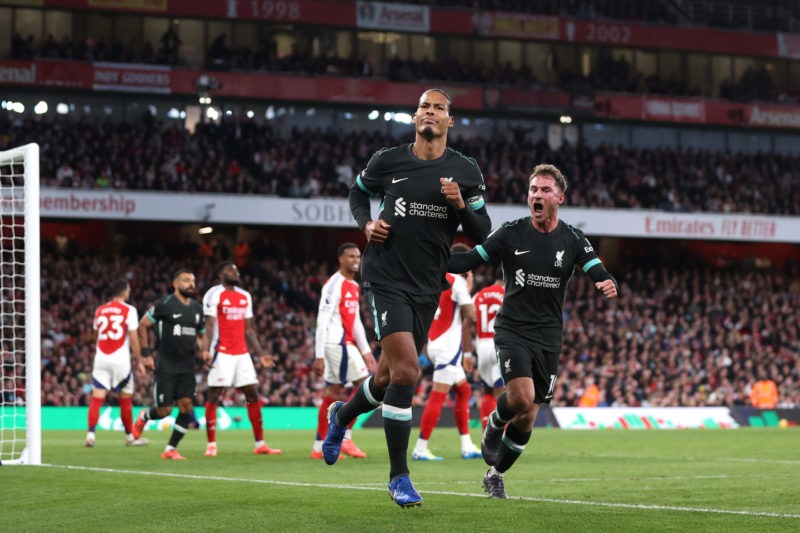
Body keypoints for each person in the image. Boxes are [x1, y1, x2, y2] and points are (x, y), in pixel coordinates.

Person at [322, 88, 492, 508]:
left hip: (427, 284)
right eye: (423, 106)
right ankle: (399, 476)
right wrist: (366, 226)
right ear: (415, 117)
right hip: (385, 277)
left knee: (385, 378)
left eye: (438, 107)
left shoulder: (465, 171)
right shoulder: (388, 160)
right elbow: (357, 193)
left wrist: (461, 207)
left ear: (450, 121)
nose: (429, 112)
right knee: (406, 372)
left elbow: (483, 229)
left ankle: (341, 417)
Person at [447, 163, 618, 498]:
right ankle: (494, 424)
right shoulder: (511, 232)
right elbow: (469, 259)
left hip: (549, 337)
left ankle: (495, 474)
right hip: (512, 328)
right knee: (521, 397)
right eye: (533, 190)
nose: (537, 195)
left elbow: (595, 267)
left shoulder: (571, 238)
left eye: (544, 190)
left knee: (528, 418)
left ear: (560, 198)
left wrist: (607, 280)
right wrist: (429, 258)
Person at [202, 261, 282, 457]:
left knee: (252, 394)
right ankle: (211, 444)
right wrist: (206, 350)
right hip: (221, 352)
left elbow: (249, 329)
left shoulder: (245, 296)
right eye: (230, 269)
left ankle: (260, 443)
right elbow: (210, 325)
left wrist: (261, 353)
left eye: (237, 270)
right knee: (215, 394)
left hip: (242, 353)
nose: (235, 272)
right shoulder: (214, 294)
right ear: (220, 273)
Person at [411, 243, 481, 461]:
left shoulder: (436, 276)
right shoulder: (457, 281)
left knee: (463, 392)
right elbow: (471, 316)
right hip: (448, 348)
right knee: (438, 395)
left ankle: (467, 445)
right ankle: (420, 448)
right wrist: (468, 290)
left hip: (434, 342)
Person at [131, 269, 209, 460]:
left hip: (187, 366)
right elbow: (143, 325)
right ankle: (144, 417)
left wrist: (204, 350)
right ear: (175, 284)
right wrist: (146, 355)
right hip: (166, 364)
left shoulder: (197, 309)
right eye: (186, 280)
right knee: (164, 410)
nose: (191, 284)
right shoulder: (164, 304)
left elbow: (201, 335)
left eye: (193, 280)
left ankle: (170, 448)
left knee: (186, 407)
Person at [311, 243, 376, 460]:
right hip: (336, 344)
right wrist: (319, 355)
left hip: (346, 344)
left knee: (333, 394)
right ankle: (344, 438)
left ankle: (320, 445)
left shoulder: (353, 286)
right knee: (365, 388)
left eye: (358, 256)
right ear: (341, 259)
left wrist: (366, 351)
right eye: (351, 256)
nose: (356, 259)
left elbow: (355, 320)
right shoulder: (334, 285)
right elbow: (322, 319)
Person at [86, 278, 149, 448]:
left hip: (101, 359)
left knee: (97, 398)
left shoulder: (100, 310)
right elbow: (134, 339)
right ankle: (130, 437)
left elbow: (93, 335)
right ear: (124, 292)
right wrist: (140, 361)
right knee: (125, 399)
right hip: (120, 361)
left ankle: (90, 435)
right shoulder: (129, 310)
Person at [471, 269, 505, 429]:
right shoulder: (510, 294)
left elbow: (468, 321)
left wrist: (466, 353)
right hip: (500, 345)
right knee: (503, 394)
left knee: (487, 391)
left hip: (482, 346)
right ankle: (499, 437)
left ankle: (487, 434)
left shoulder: (479, 295)